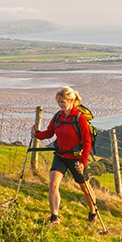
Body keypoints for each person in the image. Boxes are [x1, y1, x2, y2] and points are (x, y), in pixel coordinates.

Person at [31, 86, 97, 226]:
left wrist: (82, 161)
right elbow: (49, 133)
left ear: (72, 100)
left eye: (63, 101)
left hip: (76, 160)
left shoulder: (80, 118)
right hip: (60, 156)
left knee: (85, 188)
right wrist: (37, 134)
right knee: (53, 184)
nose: (61, 105)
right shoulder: (57, 116)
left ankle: (92, 212)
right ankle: (54, 217)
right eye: (59, 102)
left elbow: (87, 142)